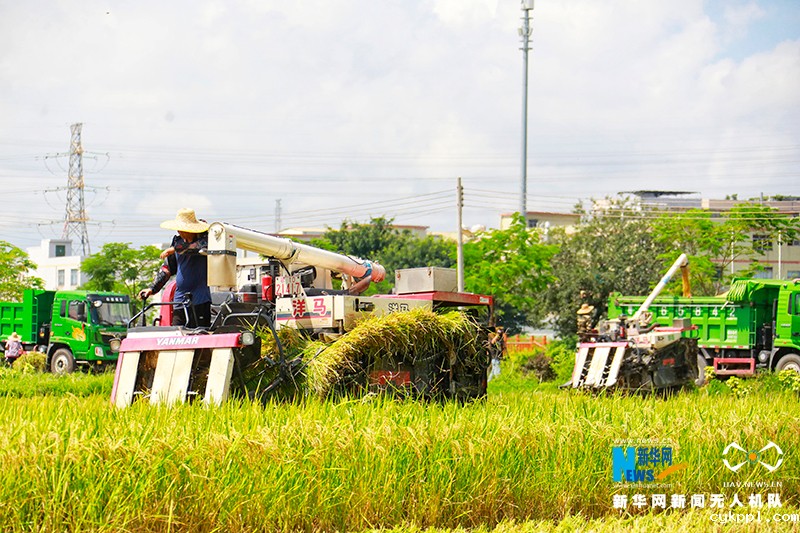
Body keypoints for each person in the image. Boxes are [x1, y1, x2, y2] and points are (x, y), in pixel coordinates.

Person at [139, 208, 212, 328]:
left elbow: (195, 247)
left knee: (199, 336)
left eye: (183, 229)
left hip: (200, 300)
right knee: (177, 334)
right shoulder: (177, 242)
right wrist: (152, 288)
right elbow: (167, 269)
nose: (180, 231)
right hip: (179, 301)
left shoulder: (204, 241)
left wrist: (174, 249)